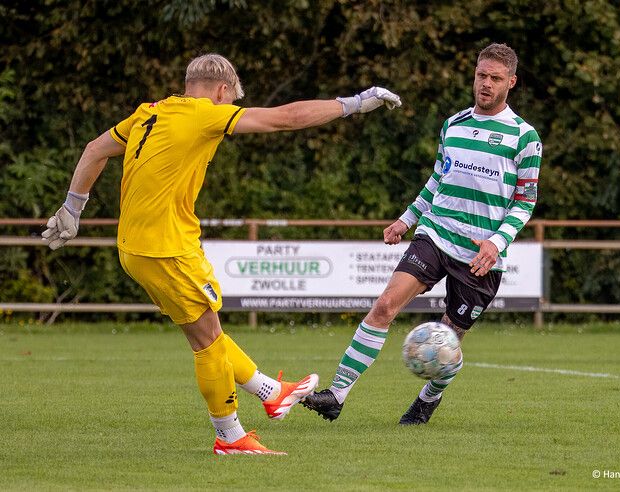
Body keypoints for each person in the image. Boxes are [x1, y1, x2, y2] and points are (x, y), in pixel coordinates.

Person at [42, 53, 401, 454]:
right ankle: (230, 436)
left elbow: (94, 149)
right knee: (208, 341)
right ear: (221, 91)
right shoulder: (204, 114)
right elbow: (284, 118)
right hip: (165, 248)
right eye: (231, 102)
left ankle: (272, 392)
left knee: (204, 327)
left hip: (138, 245)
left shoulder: (150, 112)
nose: (231, 111)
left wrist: (73, 208)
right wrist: (353, 103)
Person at [302, 43, 542, 425]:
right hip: (436, 233)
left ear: (511, 83)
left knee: (447, 343)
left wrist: (496, 243)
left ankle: (427, 400)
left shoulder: (524, 137)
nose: (486, 84)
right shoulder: (454, 123)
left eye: (496, 78)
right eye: (481, 75)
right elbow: (436, 181)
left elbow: (525, 203)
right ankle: (337, 394)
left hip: (480, 256)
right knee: (384, 306)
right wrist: (406, 219)